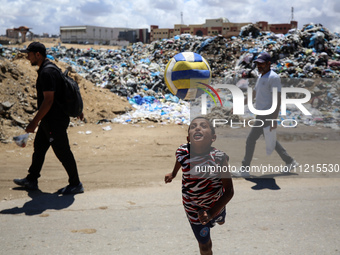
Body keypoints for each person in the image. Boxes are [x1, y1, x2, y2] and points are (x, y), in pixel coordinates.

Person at [13, 42, 84, 195]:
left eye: (29, 54)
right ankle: (31, 179)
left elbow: (49, 100)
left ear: (38, 54)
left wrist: (34, 122)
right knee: (39, 148)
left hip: (54, 121)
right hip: (49, 120)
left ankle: (76, 183)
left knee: (62, 151)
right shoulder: (50, 68)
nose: (27, 57)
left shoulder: (47, 72)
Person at [165, 117, 234, 255]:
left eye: (203, 126)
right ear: (188, 138)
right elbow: (179, 161)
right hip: (192, 207)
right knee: (204, 246)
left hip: (215, 203)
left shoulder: (219, 159)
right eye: (193, 126)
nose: (197, 128)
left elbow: (229, 192)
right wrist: (173, 173)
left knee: (220, 220)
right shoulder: (182, 152)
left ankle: (219, 217)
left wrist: (211, 212)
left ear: (213, 137)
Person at [234, 52, 298, 178]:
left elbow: (277, 99)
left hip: (267, 114)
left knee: (251, 140)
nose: (259, 66)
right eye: (257, 63)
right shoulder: (261, 76)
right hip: (261, 114)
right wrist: (241, 104)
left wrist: (274, 119)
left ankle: (245, 169)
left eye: (262, 63)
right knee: (270, 140)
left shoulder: (273, 78)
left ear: (269, 64)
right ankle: (290, 161)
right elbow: (254, 93)